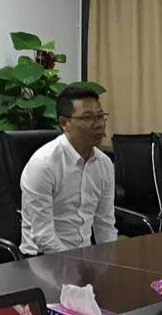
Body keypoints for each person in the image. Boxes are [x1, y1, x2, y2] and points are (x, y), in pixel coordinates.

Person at [19, 86, 117, 256]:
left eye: (100, 116)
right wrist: (78, 265)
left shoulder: (105, 164)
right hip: (41, 259)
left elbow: (105, 225)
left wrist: (112, 263)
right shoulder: (43, 165)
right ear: (64, 123)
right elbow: (43, 237)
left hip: (84, 258)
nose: (98, 124)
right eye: (88, 118)